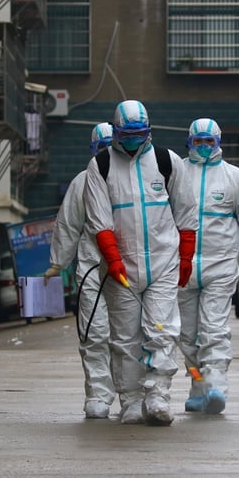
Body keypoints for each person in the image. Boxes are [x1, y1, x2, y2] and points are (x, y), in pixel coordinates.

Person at [83, 100, 198, 426]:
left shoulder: (166, 161)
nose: (133, 139)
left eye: (140, 133)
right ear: (116, 131)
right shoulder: (101, 165)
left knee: (161, 330)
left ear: (149, 131)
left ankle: (158, 395)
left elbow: (186, 213)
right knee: (124, 337)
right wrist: (113, 259)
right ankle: (131, 400)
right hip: (121, 267)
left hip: (163, 262)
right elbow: (99, 220)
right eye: (127, 134)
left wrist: (186, 256)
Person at [177, 117, 239, 414]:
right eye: (198, 142)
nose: (203, 147)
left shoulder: (234, 177)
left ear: (218, 142)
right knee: (186, 338)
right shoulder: (177, 173)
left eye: (209, 142)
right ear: (189, 142)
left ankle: (216, 386)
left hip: (220, 266)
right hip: (182, 267)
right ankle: (197, 385)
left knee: (214, 329)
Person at [42, 122, 115, 419]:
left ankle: (133, 393)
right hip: (92, 269)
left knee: (132, 336)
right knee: (94, 332)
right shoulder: (82, 183)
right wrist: (58, 261)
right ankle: (98, 392)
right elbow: (69, 224)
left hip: (133, 270)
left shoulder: (139, 179)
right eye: (102, 149)